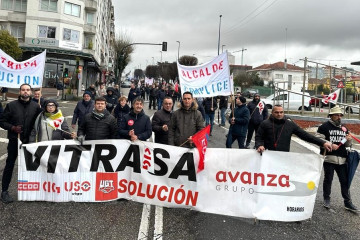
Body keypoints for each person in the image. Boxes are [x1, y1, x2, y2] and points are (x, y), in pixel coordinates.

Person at [0, 84, 42, 203]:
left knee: (31, 166)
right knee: (9, 165)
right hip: (14, 140)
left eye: (27, 90)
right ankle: (4, 191)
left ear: (31, 92)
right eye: (23, 90)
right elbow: (2, 121)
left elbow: (41, 121)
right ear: (20, 91)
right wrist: (12, 128)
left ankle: (32, 190)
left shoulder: (36, 106)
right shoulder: (11, 105)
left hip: (30, 142)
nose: (25, 92)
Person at [316, 105, 358, 212]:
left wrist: (348, 139)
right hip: (329, 158)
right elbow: (318, 139)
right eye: (336, 115)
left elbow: (348, 144)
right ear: (331, 115)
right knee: (328, 179)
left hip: (342, 159)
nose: (339, 117)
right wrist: (329, 144)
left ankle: (347, 202)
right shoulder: (324, 127)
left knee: (345, 181)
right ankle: (326, 199)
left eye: (340, 115)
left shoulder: (344, 128)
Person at [255, 105, 332, 153]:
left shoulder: (290, 124)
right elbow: (259, 137)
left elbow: (305, 135)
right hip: (267, 155)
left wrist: (322, 143)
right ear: (272, 113)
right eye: (276, 112)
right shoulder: (265, 123)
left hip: (284, 156)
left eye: (281, 112)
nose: (279, 114)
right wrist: (259, 145)